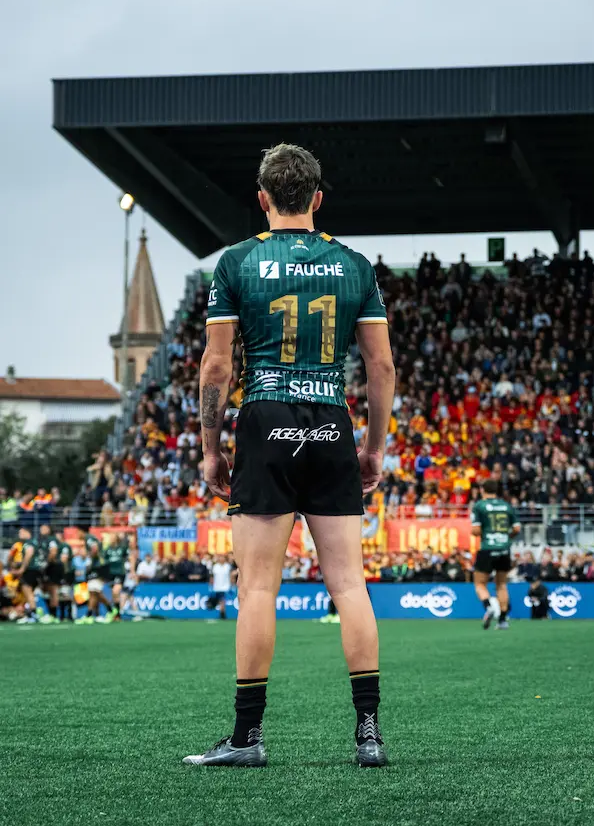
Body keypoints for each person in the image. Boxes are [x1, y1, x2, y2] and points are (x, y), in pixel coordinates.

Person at [183, 143, 394, 769]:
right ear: (319, 198)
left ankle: (247, 740)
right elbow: (380, 367)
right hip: (331, 417)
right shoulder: (354, 264)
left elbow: (216, 365)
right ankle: (369, 736)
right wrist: (373, 449)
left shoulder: (238, 262)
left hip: (266, 416)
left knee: (257, 591)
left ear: (263, 197)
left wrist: (209, 449)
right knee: (350, 585)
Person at [471, 479, 521, 631]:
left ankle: (488, 607)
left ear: (482, 490)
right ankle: (503, 620)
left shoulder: (479, 506)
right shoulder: (506, 506)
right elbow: (517, 528)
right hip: (504, 549)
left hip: (487, 548)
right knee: (501, 585)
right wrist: (506, 537)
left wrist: (486, 532)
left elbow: (476, 531)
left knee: (480, 584)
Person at [74, 528, 113, 624]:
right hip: (100, 567)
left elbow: (94, 549)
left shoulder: (89, 538)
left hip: (98, 567)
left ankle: (89, 615)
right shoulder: (89, 539)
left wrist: (89, 558)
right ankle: (111, 610)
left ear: (81, 531)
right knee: (96, 593)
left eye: (77, 532)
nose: (76, 535)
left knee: (93, 591)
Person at [9, 528, 46, 623]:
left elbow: (29, 554)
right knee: (31, 593)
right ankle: (32, 613)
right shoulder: (36, 542)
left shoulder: (28, 543)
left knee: (27, 591)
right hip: (38, 570)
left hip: (30, 570)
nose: (19, 534)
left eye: (21, 532)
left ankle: (32, 615)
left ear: (27, 532)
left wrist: (22, 569)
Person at [39, 523, 62, 624]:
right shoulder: (42, 540)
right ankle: (51, 613)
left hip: (53, 567)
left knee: (53, 590)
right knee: (46, 589)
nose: (42, 529)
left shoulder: (51, 539)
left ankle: (54, 615)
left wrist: (46, 563)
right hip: (48, 567)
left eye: (44, 528)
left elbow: (53, 552)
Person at [104, 533, 130, 618]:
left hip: (120, 573)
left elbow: (130, 557)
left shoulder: (122, 548)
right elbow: (104, 560)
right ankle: (117, 614)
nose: (111, 539)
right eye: (111, 538)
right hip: (110, 574)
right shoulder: (108, 549)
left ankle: (117, 613)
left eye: (113, 537)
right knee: (114, 594)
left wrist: (132, 571)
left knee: (116, 591)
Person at [210, 554, 233, 620]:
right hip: (217, 586)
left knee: (223, 600)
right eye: (220, 557)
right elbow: (212, 577)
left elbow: (231, 576)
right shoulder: (215, 566)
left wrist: (232, 584)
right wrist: (211, 585)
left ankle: (222, 613)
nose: (221, 559)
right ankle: (222, 613)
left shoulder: (228, 566)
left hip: (226, 586)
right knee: (220, 600)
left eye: (223, 557)